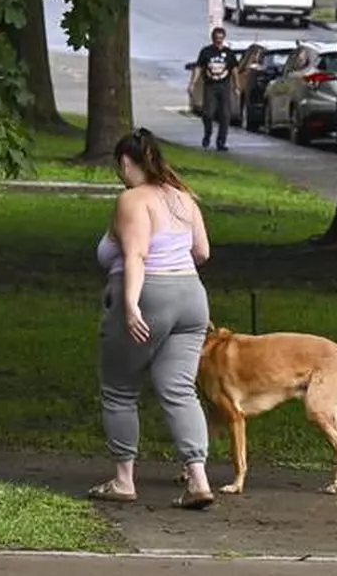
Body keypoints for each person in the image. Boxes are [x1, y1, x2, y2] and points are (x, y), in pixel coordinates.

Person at [89, 128, 215, 510]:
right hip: (193, 297)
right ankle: (198, 479)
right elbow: (203, 252)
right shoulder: (184, 198)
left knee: (119, 388)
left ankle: (124, 480)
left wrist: (131, 304)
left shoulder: (132, 200)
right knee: (179, 389)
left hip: (149, 294)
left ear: (126, 162)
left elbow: (136, 255)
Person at [189, 27, 240, 152]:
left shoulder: (228, 53)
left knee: (225, 115)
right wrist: (192, 83)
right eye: (217, 39)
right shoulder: (206, 52)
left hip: (224, 86)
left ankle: (221, 142)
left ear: (224, 39)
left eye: (221, 39)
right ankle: (208, 134)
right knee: (208, 113)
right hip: (210, 86)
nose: (219, 41)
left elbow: (234, 70)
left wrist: (237, 86)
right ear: (213, 39)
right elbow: (199, 67)